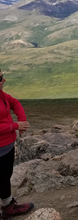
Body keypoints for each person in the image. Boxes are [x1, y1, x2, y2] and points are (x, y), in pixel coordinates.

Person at [0, 69, 34, 219]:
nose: (4, 80)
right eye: (1, 77)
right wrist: (15, 126)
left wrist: (22, 120)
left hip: (6, 146)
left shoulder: (1, 95)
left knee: (5, 177)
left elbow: (14, 102)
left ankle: (8, 207)